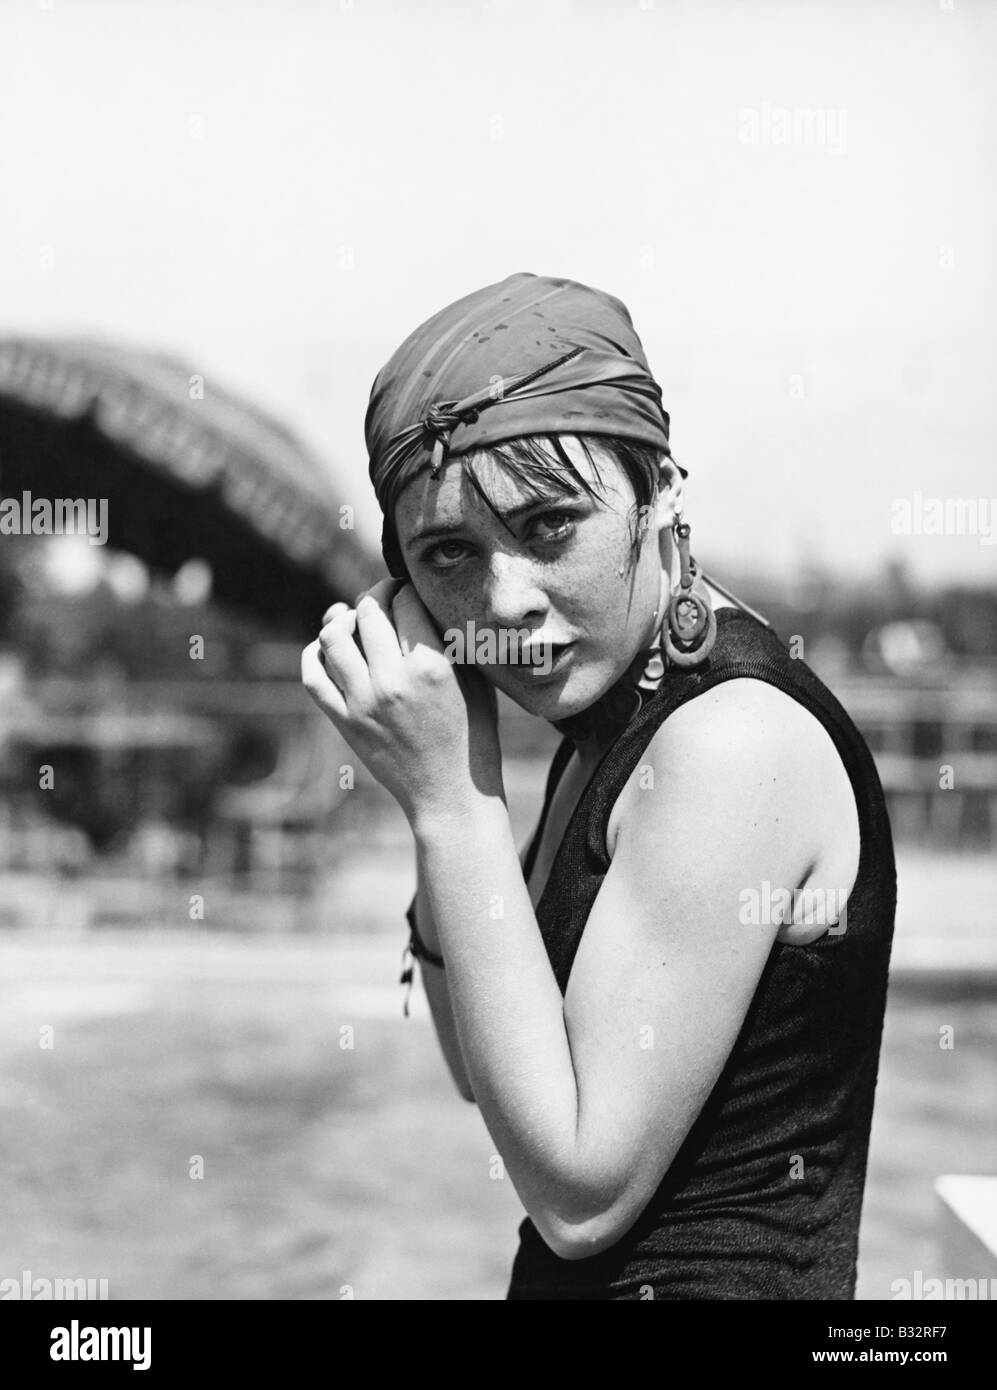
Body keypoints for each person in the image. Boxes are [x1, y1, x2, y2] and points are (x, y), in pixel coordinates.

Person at [301, 272, 897, 1300]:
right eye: (448, 554)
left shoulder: (728, 743)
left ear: (659, 489)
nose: (503, 602)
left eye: (547, 528)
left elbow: (578, 1195)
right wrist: (442, 780)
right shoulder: (611, 714)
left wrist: (451, 804)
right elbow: (475, 1064)